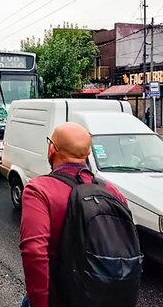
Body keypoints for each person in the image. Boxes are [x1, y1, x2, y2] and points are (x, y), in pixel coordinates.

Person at [20, 122, 132, 307]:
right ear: (87, 154)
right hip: (104, 295)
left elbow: (34, 251)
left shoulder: (39, 190)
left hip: (61, 295)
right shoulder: (111, 191)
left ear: (52, 149)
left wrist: (39, 302)